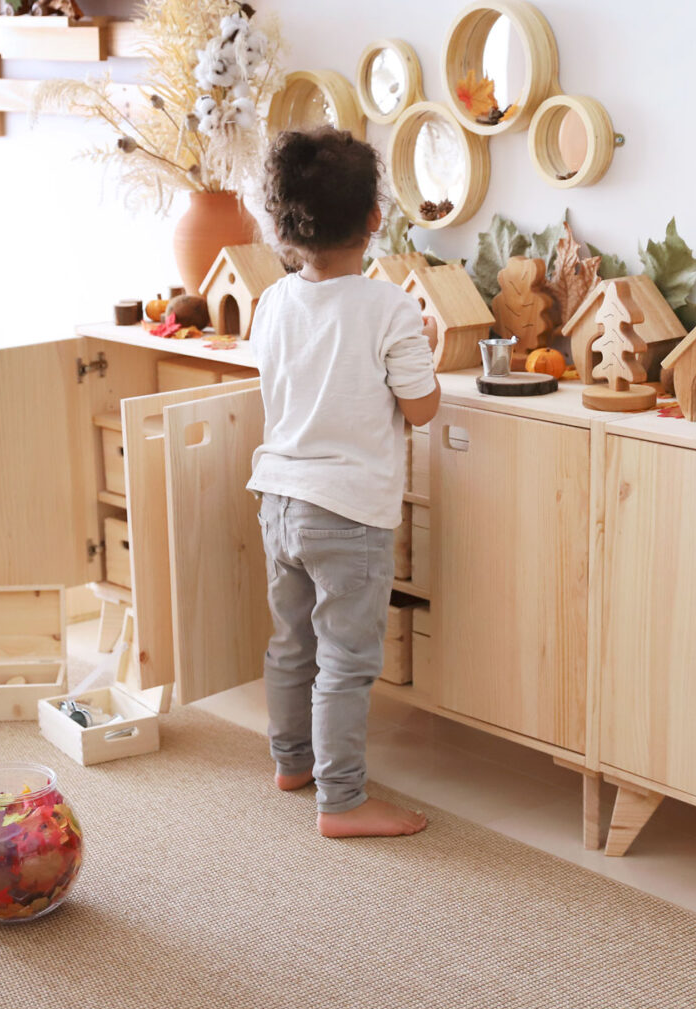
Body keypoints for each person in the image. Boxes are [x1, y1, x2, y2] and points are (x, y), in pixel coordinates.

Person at [246, 127, 441, 838]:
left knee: (291, 643)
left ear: (286, 224)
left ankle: (291, 761)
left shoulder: (272, 302)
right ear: (373, 219)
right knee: (347, 660)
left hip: (280, 501)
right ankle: (343, 799)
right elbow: (420, 408)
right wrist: (420, 350)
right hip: (350, 513)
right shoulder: (387, 307)